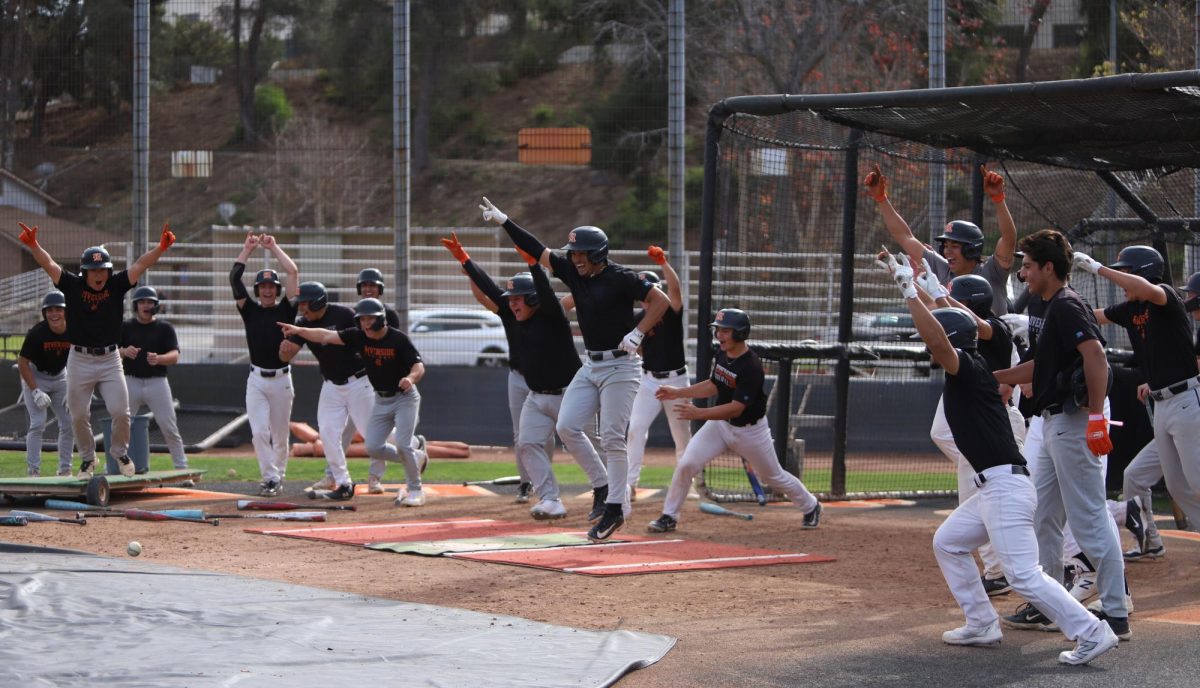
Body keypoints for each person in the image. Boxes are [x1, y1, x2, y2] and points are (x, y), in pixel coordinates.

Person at [877, 248, 1118, 665]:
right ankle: (982, 623)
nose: (928, 348)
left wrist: (908, 293)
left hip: (1006, 487)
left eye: (936, 343)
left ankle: (1093, 632)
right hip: (993, 488)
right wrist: (922, 287)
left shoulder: (967, 369)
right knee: (949, 543)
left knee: (1024, 575)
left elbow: (940, 336)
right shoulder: (969, 371)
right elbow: (947, 328)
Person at [480, 197, 670, 542]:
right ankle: (602, 488)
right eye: (574, 254)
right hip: (591, 364)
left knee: (613, 437)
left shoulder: (620, 277)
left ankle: (614, 507)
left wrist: (638, 332)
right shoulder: (573, 272)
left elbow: (661, 300)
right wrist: (505, 221)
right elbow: (537, 249)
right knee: (567, 425)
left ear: (597, 254)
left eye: (581, 254)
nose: (575, 259)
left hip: (622, 367)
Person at [993, 229, 1131, 641]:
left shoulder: (1068, 306)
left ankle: (1115, 611)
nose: (1024, 273)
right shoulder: (1047, 305)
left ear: (1049, 268)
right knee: (1041, 516)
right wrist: (987, 377)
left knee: (1089, 517)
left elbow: (1096, 356)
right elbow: (1038, 368)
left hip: (1072, 421)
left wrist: (1094, 416)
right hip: (1051, 421)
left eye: (1030, 266)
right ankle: (1051, 604)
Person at [18, 220, 175, 478]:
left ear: (109, 270)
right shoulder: (73, 286)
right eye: (93, 270)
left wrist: (160, 248)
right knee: (77, 415)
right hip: (79, 359)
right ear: (85, 272)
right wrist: (34, 245)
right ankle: (88, 460)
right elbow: (49, 264)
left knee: (120, 412)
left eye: (103, 268)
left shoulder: (116, 284)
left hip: (110, 358)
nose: (99, 274)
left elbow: (141, 264)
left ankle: (120, 453)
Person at [647, 308, 821, 534]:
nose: (719, 335)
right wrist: (679, 392)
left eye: (726, 331)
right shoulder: (722, 354)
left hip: (750, 431)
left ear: (740, 333)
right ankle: (669, 516)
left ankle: (811, 505)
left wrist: (698, 413)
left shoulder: (751, 366)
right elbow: (713, 384)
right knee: (687, 464)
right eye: (718, 330)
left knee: (773, 477)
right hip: (720, 426)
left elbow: (737, 408)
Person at [444, 233, 581, 519]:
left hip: (566, 387)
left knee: (583, 438)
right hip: (527, 381)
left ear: (532, 298)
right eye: (512, 299)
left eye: (519, 298)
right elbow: (490, 291)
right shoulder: (511, 313)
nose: (513, 303)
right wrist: (465, 260)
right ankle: (538, 489)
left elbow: (550, 294)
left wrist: (534, 264)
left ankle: (611, 491)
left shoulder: (550, 313)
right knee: (526, 438)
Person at [1079, 247, 1200, 549]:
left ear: (1144, 273)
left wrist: (1098, 269)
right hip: (1162, 405)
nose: (1123, 282)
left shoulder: (1165, 297)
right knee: (1176, 486)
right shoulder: (1130, 309)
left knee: (1197, 482)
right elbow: (1092, 317)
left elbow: (1146, 289)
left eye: (1127, 273)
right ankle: (1150, 541)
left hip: (1187, 399)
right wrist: (1037, 323)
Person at [914, 269, 1024, 596]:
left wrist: (936, 293)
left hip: (998, 423)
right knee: (970, 499)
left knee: (1011, 506)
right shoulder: (961, 340)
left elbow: (972, 322)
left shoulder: (997, 329)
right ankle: (997, 572)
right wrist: (914, 289)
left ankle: (1004, 571)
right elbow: (940, 321)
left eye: (956, 301)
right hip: (979, 427)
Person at [280, 298, 427, 507]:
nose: (366, 324)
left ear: (381, 319)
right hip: (380, 398)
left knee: (402, 444)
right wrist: (298, 329)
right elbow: (324, 335)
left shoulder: (398, 339)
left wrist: (410, 379)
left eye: (370, 319)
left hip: (404, 397)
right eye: (363, 319)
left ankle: (416, 489)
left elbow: (418, 366)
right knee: (373, 446)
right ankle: (413, 454)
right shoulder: (358, 337)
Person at [865, 164, 1017, 316]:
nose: (947, 251)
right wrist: (881, 199)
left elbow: (1008, 238)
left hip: (993, 339)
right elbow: (905, 237)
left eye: (955, 245)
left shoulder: (992, 271)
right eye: (946, 245)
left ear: (971, 250)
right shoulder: (942, 268)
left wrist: (998, 199)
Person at [278, 282, 364, 501]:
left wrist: (300, 331)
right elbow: (286, 355)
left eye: (305, 303)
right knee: (327, 433)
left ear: (318, 301)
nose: (302, 308)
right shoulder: (302, 324)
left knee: (374, 436)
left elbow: (326, 336)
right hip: (331, 385)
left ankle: (414, 448)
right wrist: (284, 350)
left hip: (359, 382)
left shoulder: (345, 315)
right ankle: (343, 483)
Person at [231, 233, 298, 497]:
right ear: (257, 290)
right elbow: (234, 278)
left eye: (272, 286)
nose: (267, 290)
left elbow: (292, 272)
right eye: (263, 287)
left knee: (280, 435)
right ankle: (270, 477)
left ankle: (278, 476)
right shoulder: (250, 309)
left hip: (282, 379)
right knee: (259, 431)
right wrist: (247, 249)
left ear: (277, 290)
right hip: (256, 379)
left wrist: (273, 247)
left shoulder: (286, 309)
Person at [625, 246, 692, 501]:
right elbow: (638, 346)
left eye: (649, 291)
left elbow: (675, 291)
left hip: (676, 380)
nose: (646, 298)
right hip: (649, 379)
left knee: (682, 438)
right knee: (636, 428)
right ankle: (630, 484)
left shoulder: (670, 311)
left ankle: (686, 484)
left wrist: (664, 263)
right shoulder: (639, 317)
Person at [119, 285, 188, 472]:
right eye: (142, 302)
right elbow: (111, 354)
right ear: (135, 305)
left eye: (150, 302)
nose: (146, 305)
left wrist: (159, 358)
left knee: (169, 427)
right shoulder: (125, 327)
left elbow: (174, 355)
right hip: (130, 381)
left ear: (156, 305)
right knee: (122, 427)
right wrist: (124, 351)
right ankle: (119, 469)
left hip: (157, 381)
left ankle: (182, 470)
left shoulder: (164, 328)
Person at [17, 291, 74, 477]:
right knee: (38, 423)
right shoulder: (37, 333)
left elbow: (80, 358)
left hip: (61, 377)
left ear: (66, 311)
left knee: (68, 422)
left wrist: (72, 386)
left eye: (59, 309)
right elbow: (23, 362)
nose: (54, 313)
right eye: (50, 310)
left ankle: (65, 469)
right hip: (36, 376)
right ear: (44, 313)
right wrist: (35, 391)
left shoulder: (75, 330)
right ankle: (33, 470)